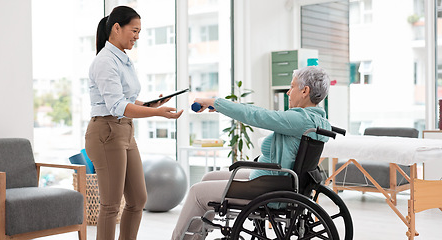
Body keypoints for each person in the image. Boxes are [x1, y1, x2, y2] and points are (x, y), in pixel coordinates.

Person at [172, 66, 331, 240]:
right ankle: (195, 236)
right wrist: (221, 108)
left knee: (197, 192)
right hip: (280, 179)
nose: (287, 92)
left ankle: (178, 238)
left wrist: (215, 102)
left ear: (305, 91)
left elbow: (256, 115)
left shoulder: (300, 119)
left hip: (270, 185)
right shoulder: (317, 120)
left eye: (291, 87)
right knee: (208, 177)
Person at [85, 6, 183, 240]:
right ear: (117, 28)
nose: (137, 36)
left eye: (140, 31)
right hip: (106, 132)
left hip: (124, 131)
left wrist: (152, 105)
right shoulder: (105, 61)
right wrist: (158, 115)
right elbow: (117, 106)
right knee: (110, 205)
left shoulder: (123, 59)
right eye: (134, 30)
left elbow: (126, 99)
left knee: (138, 199)